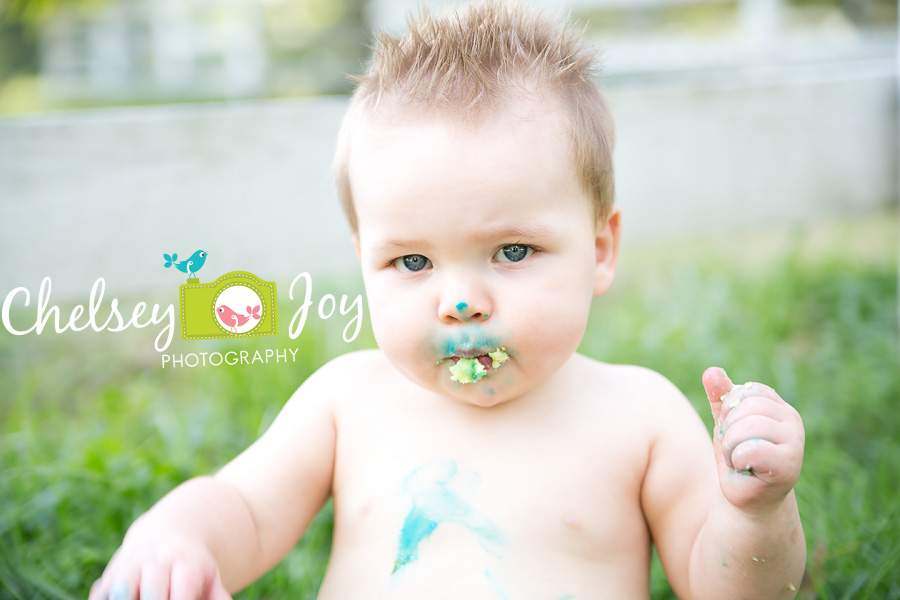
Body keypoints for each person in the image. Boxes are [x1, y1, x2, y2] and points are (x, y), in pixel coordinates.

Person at [89, 2, 806, 598]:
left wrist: (755, 515)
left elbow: (727, 589)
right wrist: (176, 535)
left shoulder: (639, 417)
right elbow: (242, 509)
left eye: (513, 251)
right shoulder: (347, 402)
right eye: (411, 261)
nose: (460, 302)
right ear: (363, 262)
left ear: (601, 249)